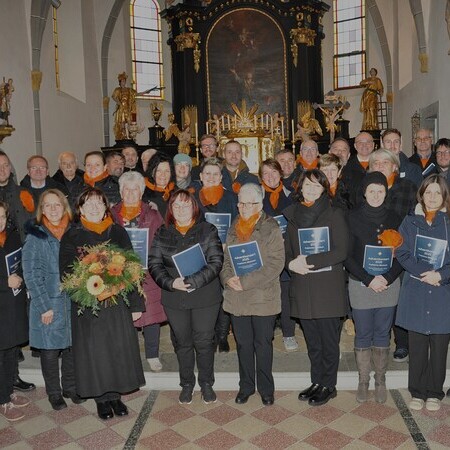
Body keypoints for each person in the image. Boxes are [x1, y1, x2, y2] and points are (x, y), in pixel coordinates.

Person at [59, 187, 145, 420]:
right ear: (80, 209)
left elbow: (133, 268)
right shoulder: (72, 235)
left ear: (106, 207)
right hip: (89, 307)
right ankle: (101, 399)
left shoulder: (117, 232)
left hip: (117, 304)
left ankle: (115, 396)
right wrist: (89, 288)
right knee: (95, 352)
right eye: (89, 203)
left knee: (116, 349)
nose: (95, 207)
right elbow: (66, 272)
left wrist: (136, 305)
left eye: (99, 202)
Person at [148, 190, 224, 405]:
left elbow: (216, 261)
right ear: (170, 209)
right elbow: (154, 263)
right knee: (183, 342)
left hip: (204, 294)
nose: (181, 210)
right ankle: (187, 384)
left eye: (186, 205)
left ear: (194, 207)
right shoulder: (162, 232)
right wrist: (171, 283)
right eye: (176, 206)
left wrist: (193, 281)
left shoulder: (207, 229)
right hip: (175, 296)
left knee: (204, 341)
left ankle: (206, 383)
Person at [284, 169, 349, 406]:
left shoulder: (334, 214)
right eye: (307, 185)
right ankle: (317, 381)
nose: (311, 189)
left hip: (327, 289)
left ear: (324, 189)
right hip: (303, 287)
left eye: (317, 185)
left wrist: (308, 261)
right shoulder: (293, 215)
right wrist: (291, 264)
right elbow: (288, 251)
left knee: (328, 342)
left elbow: (341, 251)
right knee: (312, 342)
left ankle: (328, 385)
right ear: (300, 187)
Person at [221, 183, 284, 406]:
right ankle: (246, 386)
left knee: (263, 344)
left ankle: (266, 389)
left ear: (260, 204)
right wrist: (227, 278)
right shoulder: (233, 227)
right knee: (243, 344)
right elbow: (225, 260)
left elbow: (276, 264)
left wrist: (245, 282)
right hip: (237, 298)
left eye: (250, 203)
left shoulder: (271, 227)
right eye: (241, 203)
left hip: (262, 297)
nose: (245, 208)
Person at [345, 172, 403, 403]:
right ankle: (363, 380)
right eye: (372, 191)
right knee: (363, 332)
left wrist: (386, 278)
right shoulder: (352, 217)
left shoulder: (396, 217)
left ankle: (380, 380)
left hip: (389, 284)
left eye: (380, 191)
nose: (376, 195)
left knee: (382, 332)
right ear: (364, 193)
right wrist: (369, 279)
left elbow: (403, 253)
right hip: (361, 284)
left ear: (386, 193)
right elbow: (347, 256)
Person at [22, 189, 82, 410]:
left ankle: (70, 387)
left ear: (64, 207)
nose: (53, 209)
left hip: (72, 300)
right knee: (49, 350)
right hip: (48, 303)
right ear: (42, 210)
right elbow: (31, 274)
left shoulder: (74, 232)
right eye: (48, 205)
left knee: (71, 347)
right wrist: (44, 307)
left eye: (57, 204)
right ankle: (54, 393)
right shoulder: (35, 237)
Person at [395, 175, 450, 412]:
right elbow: (401, 252)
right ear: (421, 195)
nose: (433, 197)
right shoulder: (410, 221)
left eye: (438, 192)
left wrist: (441, 275)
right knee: (416, 345)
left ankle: (435, 392)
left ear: (444, 196)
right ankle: (417, 392)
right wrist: (424, 272)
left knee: (439, 346)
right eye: (428, 192)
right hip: (416, 289)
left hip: (442, 291)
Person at [111, 171, 166, 372]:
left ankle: (152, 355)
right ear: (121, 192)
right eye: (126, 189)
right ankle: (129, 354)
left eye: (135, 189)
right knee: (124, 314)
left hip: (147, 272)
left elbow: (162, 239)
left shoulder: (152, 214)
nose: (131, 193)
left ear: (141, 192)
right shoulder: (111, 214)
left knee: (150, 315)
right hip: (118, 272)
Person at [194, 158, 238, 353]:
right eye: (207, 174)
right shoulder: (193, 199)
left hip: (226, 252)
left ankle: (222, 335)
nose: (211, 177)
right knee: (208, 296)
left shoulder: (231, 198)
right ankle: (209, 334)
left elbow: (238, 224)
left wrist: (229, 242)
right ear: (201, 177)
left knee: (225, 293)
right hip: (202, 255)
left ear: (221, 177)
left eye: (215, 174)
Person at [259, 159, 297, 351]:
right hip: (265, 255)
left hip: (286, 252)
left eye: (274, 172)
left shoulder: (292, 195)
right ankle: (267, 332)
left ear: (280, 174)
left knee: (286, 295)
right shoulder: (256, 196)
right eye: (266, 173)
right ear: (261, 177)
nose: (270, 176)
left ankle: (289, 333)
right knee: (266, 294)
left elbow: (297, 223)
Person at [0, 201, 30, 422]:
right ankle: (2, 401)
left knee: (11, 352)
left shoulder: (11, 236)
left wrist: (20, 278)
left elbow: (19, 264)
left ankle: (8, 390)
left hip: (13, 305)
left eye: (2, 217)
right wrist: (5, 282)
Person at [341, 132, 375, 207]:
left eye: (368, 142)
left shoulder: (380, 164)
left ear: (373, 145)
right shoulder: (346, 166)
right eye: (360, 142)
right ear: (355, 146)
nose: (364, 145)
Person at [111, 72, 137, 141]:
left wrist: (145, 92)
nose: (123, 82)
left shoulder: (129, 90)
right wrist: (119, 103)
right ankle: (122, 136)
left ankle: (128, 135)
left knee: (128, 121)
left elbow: (136, 94)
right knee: (122, 122)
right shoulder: (117, 89)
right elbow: (114, 97)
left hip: (127, 109)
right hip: (121, 108)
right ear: (120, 82)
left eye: (124, 81)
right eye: (122, 81)